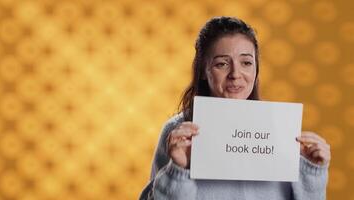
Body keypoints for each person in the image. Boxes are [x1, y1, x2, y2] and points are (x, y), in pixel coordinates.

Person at [139, 16, 330, 200]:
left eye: (246, 62)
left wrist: (312, 173)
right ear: (204, 71)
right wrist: (178, 170)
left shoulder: (280, 129)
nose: (235, 74)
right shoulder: (178, 132)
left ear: (256, 70)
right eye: (222, 64)